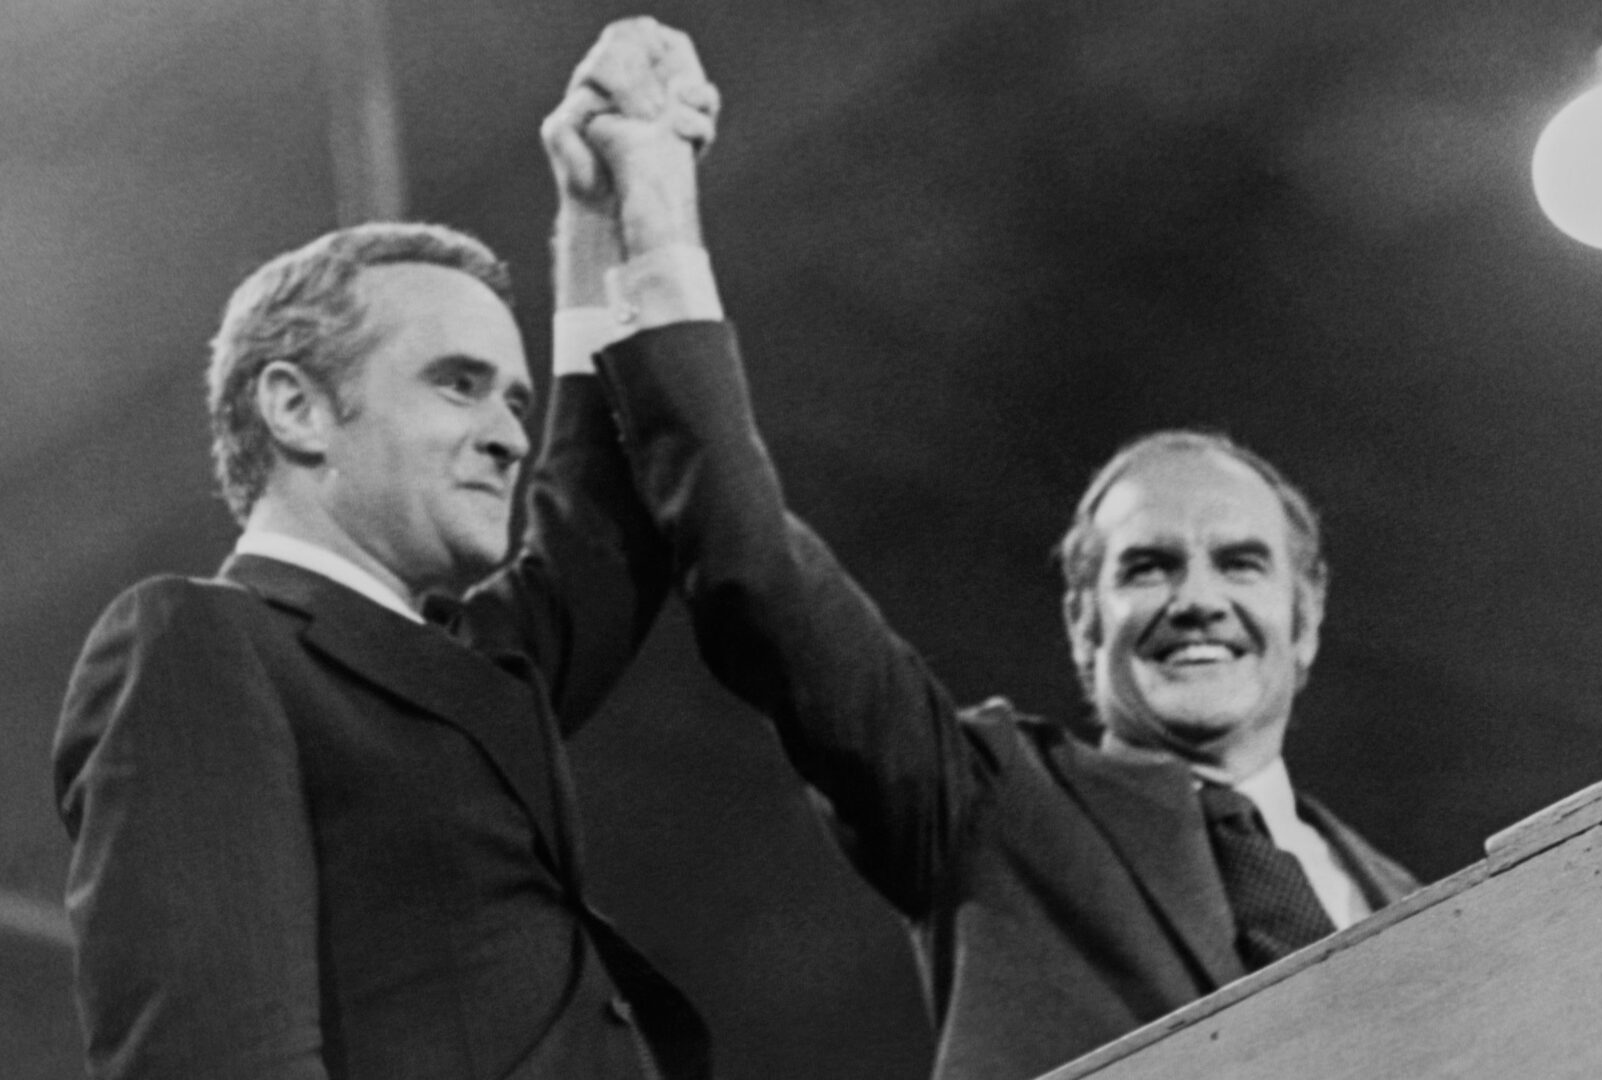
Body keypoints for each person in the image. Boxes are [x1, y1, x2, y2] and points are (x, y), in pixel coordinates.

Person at [568, 23, 1421, 1080]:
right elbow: (753, 569)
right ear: (1080, 616)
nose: (1198, 598)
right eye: (1147, 566)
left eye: (1240, 564)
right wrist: (647, 208)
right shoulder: (985, 802)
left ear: (1308, 613)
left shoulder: (1412, 901)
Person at [52, 21, 720, 1080]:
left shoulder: (467, 668)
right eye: (457, 382)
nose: (509, 431)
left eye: (516, 396)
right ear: (297, 408)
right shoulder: (199, 646)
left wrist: (597, 215)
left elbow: (599, 515)